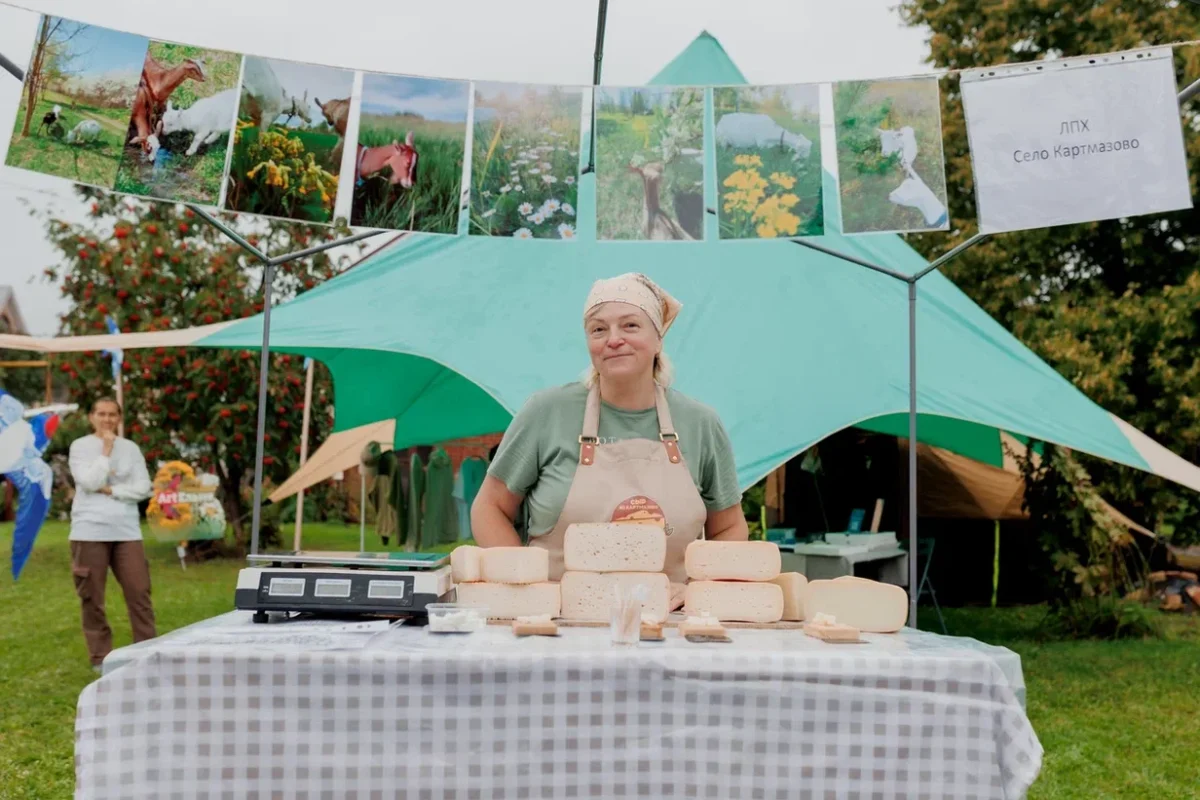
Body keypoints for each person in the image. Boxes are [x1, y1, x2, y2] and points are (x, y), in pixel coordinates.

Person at [471, 272, 748, 600]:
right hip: (559, 619)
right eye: (599, 329)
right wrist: (529, 586)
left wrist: (699, 592)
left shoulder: (700, 423)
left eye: (630, 325)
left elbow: (729, 527)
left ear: (658, 339)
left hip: (670, 620)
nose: (614, 339)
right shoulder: (547, 413)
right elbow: (489, 507)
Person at [68, 397, 156, 670]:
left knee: (139, 592)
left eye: (112, 415)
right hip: (89, 530)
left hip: (126, 531)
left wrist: (111, 490)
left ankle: (147, 652)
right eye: (101, 414)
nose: (107, 419)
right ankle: (100, 658)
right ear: (91, 417)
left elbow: (144, 488)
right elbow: (89, 481)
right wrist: (105, 451)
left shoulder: (130, 448)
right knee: (92, 598)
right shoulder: (80, 447)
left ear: (119, 418)